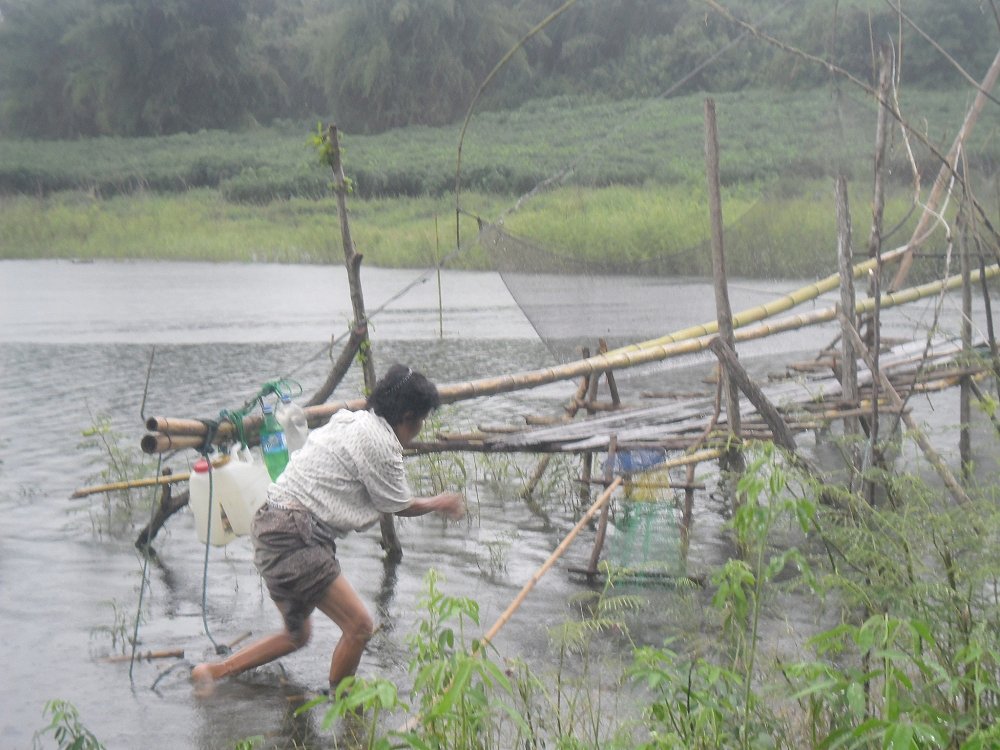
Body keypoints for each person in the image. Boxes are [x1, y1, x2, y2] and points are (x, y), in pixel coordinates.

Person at [191, 364, 466, 694]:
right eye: (421, 421)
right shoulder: (380, 443)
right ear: (409, 416)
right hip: (295, 535)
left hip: (270, 525)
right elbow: (399, 505)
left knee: (297, 636)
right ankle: (342, 701)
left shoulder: (349, 419)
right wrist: (441, 502)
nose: (419, 429)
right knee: (360, 626)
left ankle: (213, 672)